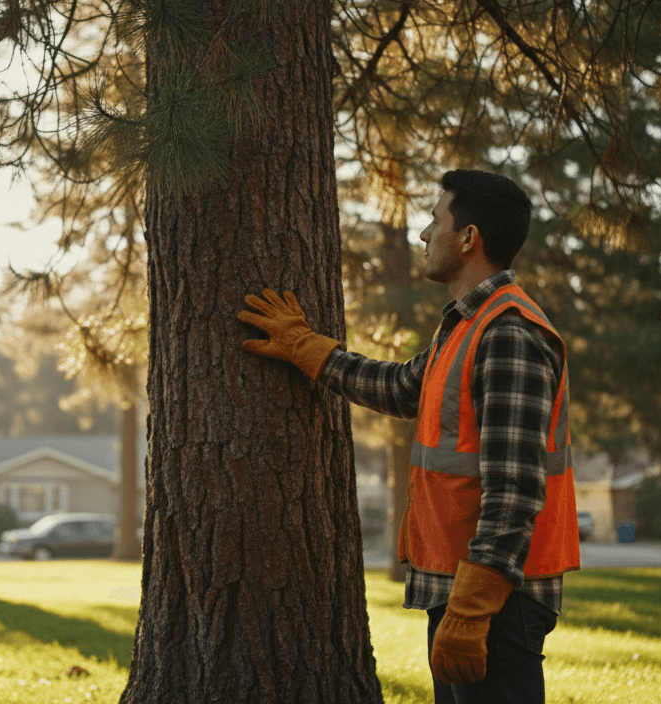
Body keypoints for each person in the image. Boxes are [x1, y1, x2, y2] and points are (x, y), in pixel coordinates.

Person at [237, 169, 579, 704]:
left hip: (495, 598)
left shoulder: (509, 333)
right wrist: (305, 347)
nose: (423, 233)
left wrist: (472, 610)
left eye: (435, 220)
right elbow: (400, 388)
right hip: (466, 590)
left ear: (468, 238)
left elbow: (515, 490)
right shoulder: (466, 325)